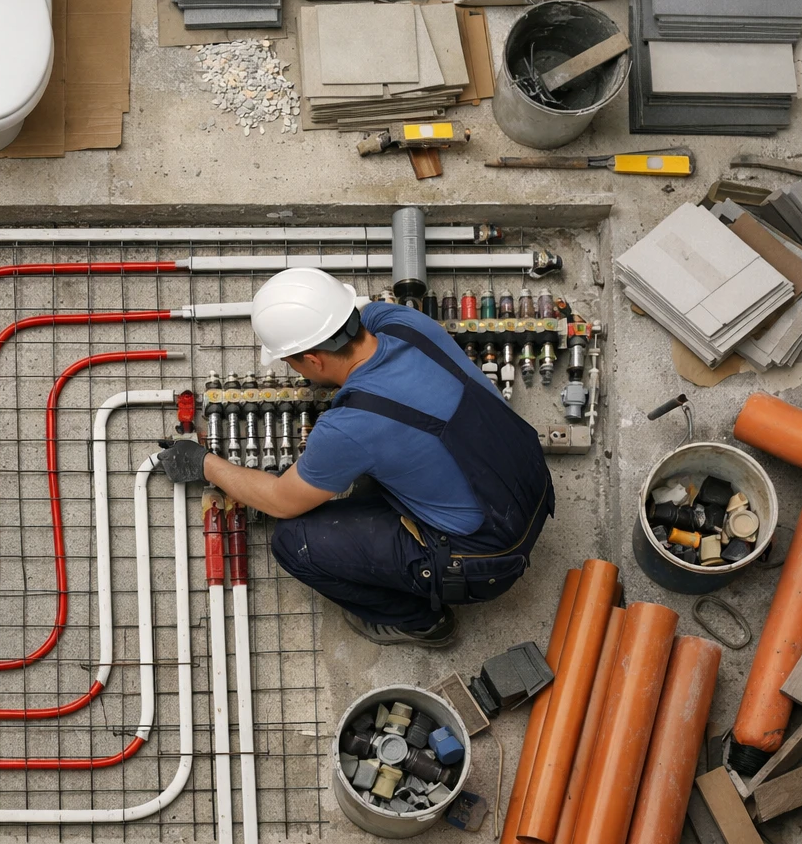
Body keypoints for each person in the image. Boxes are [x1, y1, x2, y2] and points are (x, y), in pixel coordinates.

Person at [157, 268, 554, 647]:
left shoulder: (350, 427)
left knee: (295, 543)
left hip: (487, 556)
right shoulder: (400, 321)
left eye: (290, 361)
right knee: (380, 467)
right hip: (528, 484)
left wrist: (204, 462)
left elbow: (280, 500)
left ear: (313, 360)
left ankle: (424, 623)